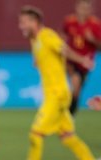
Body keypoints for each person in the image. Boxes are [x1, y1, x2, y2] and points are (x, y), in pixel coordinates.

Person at [18, 6, 95, 160]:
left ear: (35, 22)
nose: (21, 26)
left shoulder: (47, 35)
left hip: (57, 94)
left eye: (24, 22)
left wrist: (82, 60)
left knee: (35, 134)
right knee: (68, 137)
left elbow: (64, 50)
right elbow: (53, 58)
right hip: (55, 94)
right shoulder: (36, 40)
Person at [63, 0, 101, 115]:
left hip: (85, 63)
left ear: (90, 10)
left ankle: (70, 114)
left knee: (77, 91)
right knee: (75, 82)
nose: (84, 11)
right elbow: (63, 36)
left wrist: (92, 39)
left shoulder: (95, 24)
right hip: (70, 59)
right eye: (82, 7)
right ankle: (67, 115)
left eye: (86, 8)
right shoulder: (69, 21)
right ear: (77, 8)